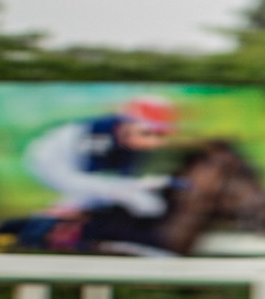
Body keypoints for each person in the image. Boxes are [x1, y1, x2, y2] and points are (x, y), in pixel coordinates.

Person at [22, 94, 180, 221]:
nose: (154, 142)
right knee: (117, 196)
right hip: (51, 162)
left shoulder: (131, 145)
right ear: (127, 125)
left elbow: (125, 177)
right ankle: (46, 221)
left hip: (78, 168)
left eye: (160, 135)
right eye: (148, 133)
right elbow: (88, 179)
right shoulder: (99, 134)